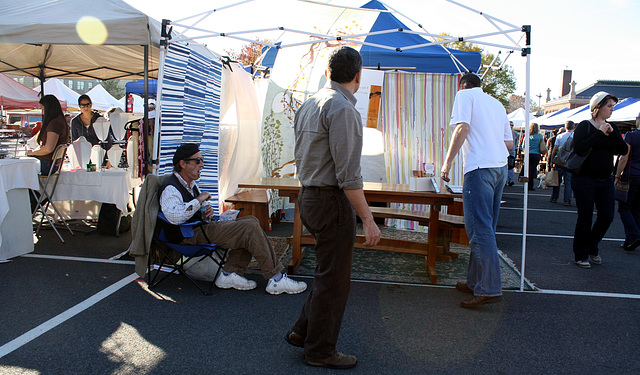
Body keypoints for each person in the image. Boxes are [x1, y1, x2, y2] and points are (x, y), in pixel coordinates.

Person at [286, 46, 381, 369]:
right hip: (330, 201)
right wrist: (368, 218)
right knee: (335, 280)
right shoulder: (343, 109)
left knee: (327, 273)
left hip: (309, 196)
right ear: (358, 76)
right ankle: (320, 350)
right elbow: (349, 177)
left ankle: (303, 332)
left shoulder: (310, 103)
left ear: (327, 72)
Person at [159, 143, 307, 295]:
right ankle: (276, 278)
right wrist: (199, 199)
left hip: (199, 228)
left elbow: (188, 210)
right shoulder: (171, 188)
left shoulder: (189, 184)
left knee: (251, 220)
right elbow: (175, 217)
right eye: (197, 161)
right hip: (187, 235)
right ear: (182, 164)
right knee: (248, 228)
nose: (202, 164)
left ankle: (230, 274)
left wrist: (206, 212)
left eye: (201, 160)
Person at [441, 72, 512, 309]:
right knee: (486, 229)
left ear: (463, 85)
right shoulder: (497, 104)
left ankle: (489, 288)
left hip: (479, 168)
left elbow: (462, 128)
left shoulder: (464, 95)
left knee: (478, 230)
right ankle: (475, 282)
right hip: (499, 167)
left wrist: (447, 162)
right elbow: (509, 143)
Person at [571, 92, 627, 268]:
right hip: (584, 179)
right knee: (585, 217)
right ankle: (581, 254)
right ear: (598, 108)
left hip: (605, 180)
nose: (612, 109)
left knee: (607, 216)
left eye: (612, 106)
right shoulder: (584, 126)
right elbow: (579, 149)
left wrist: (612, 133)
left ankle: (592, 247)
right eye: (609, 106)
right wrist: (598, 134)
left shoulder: (613, 127)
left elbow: (624, 150)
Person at [615, 112, 640, 252]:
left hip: (631, 175)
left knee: (624, 208)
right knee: (636, 209)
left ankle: (634, 236)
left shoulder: (631, 136)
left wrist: (617, 176)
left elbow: (624, 157)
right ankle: (629, 240)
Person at [27, 95, 69, 175]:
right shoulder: (58, 121)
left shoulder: (55, 123)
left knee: (15, 165)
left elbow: (48, 149)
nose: (42, 112)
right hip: (49, 163)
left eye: (42, 109)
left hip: (47, 164)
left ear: (48, 109)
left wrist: (32, 152)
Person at [549, 121, 575, 205]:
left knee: (557, 180)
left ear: (565, 127)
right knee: (568, 181)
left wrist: (552, 160)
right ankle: (567, 200)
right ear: (573, 127)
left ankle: (554, 197)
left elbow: (555, 149)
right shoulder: (575, 136)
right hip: (570, 161)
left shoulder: (560, 136)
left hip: (560, 160)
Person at [519, 122, 544, 190]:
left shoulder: (527, 135)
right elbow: (542, 144)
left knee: (527, 169)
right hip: (537, 154)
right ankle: (530, 185)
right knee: (532, 170)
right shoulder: (540, 136)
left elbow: (523, 145)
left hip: (528, 154)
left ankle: (525, 182)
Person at [507, 121, 519, 186]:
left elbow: (517, 142)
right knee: (504, 166)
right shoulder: (504, 132)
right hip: (505, 151)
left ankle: (511, 180)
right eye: (510, 125)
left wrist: (516, 148)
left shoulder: (515, 133)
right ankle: (505, 181)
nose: (511, 126)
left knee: (511, 166)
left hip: (512, 151)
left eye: (512, 125)